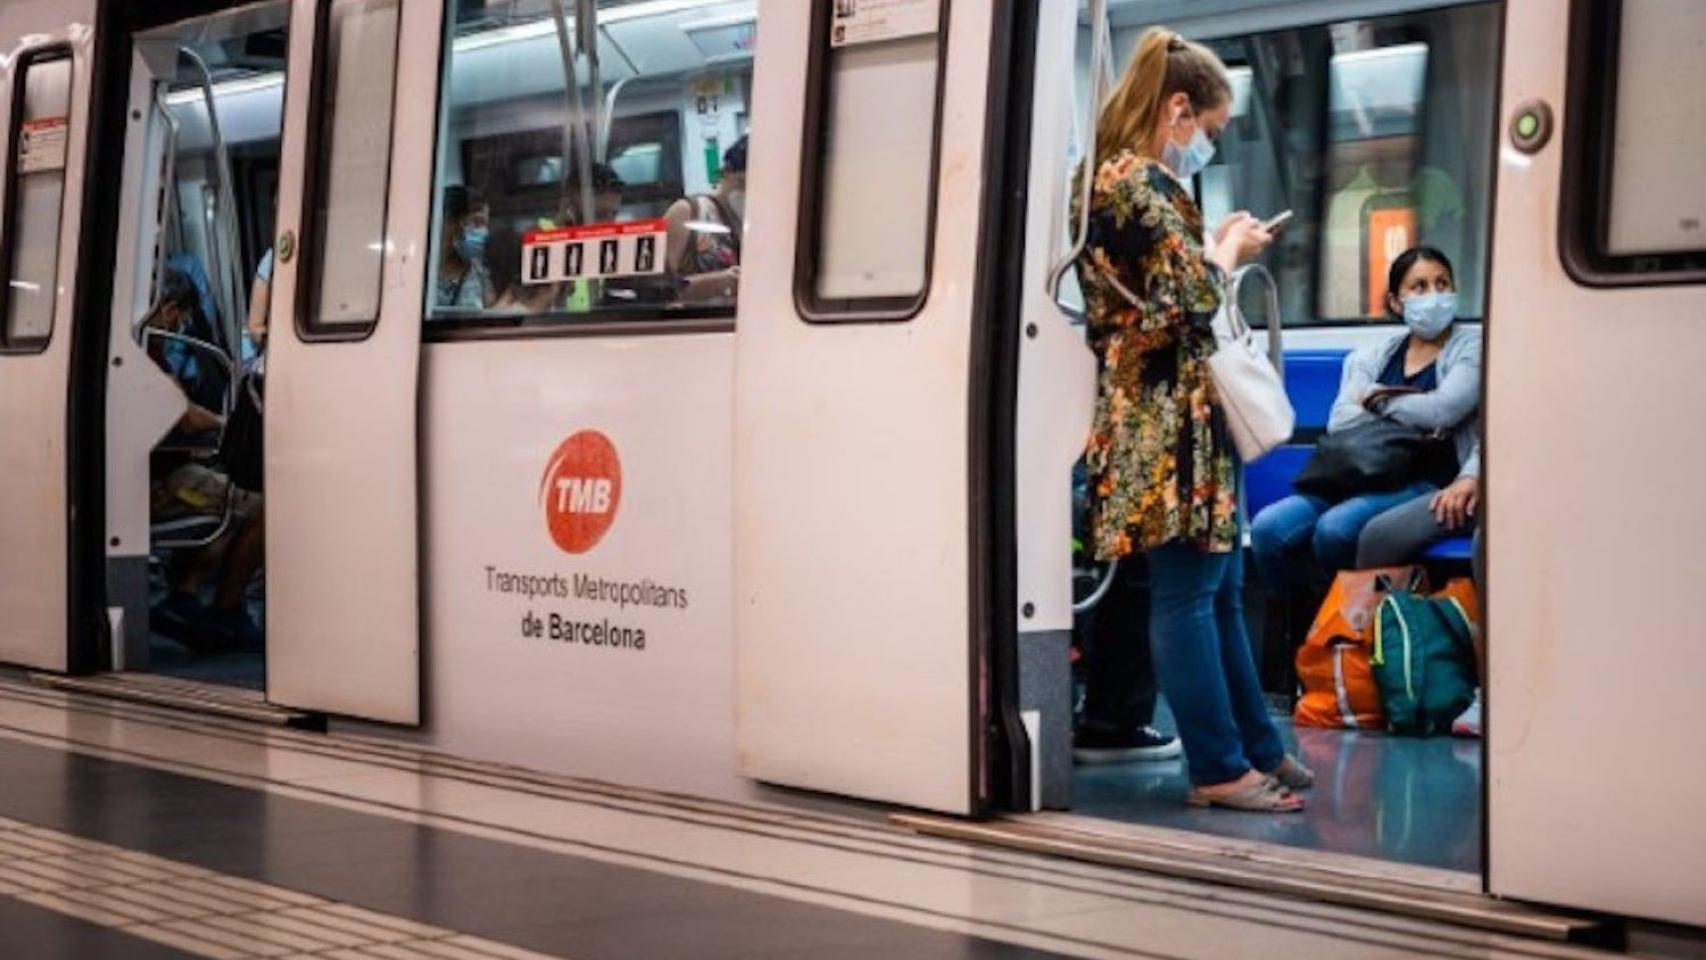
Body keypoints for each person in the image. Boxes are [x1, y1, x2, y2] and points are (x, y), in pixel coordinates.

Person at [1076, 28, 1307, 811]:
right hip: (1161, 419)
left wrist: (1209, 247)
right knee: (1186, 593)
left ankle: (1256, 748)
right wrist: (1229, 252)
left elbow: (1164, 289)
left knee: (1217, 583)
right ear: (1177, 108)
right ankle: (1217, 768)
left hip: (1178, 415)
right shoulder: (1133, 183)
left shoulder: (1128, 184)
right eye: (1208, 130)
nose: (1207, 145)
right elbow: (1190, 302)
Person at [1251, 246, 1482, 592]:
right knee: (1269, 529)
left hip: (1425, 480)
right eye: (1419, 287)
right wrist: (1414, 408)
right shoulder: (1374, 356)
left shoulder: (1470, 347)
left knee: (1337, 529)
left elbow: (1445, 409)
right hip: (1358, 474)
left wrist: (1378, 400)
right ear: (1395, 302)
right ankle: (1307, 623)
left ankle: (1347, 626)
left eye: (1442, 284)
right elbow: (1342, 421)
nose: (1434, 295)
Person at [143, 267, 265, 651]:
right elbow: (185, 414)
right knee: (262, 506)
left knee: (221, 490)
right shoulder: (145, 352)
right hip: (157, 486)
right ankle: (226, 610)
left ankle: (184, 597)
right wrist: (222, 423)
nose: (179, 325)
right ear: (168, 310)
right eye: (179, 316)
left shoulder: (143, 349)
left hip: (158, 475)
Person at [664, 135, 744, 303]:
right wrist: (719, 282)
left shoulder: (756, 225)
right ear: (726, 174)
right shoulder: (688, 212)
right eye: (741, 183)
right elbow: (659, 292)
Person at [436, 185, 493, 309]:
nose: (484, 232)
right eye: (477, 222)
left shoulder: (481, 275)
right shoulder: (418, 274)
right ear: (449, 221)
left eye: (485, 225)